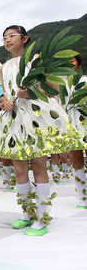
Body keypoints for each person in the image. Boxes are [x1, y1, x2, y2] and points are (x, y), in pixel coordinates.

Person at [0, 25, 79, 236]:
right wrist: (4, 101)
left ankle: (42, 218)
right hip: (15, 119)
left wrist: (32, 93)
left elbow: (53, 88)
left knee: (38, 165)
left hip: (35, 117)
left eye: (12, 36)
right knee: (18, 169)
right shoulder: (3, 67)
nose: (7, 40)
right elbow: (5, 93)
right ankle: (27, 213)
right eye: (4, 37)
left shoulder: (37, 61)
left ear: (24, 38)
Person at [63, 55, 87, 208]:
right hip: (71, 127)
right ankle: (82, 196)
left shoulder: (84, 81)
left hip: (84, 123)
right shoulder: (61, 85)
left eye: (71, 61)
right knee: (76, 162)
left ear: (79, 64)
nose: (68, 64)